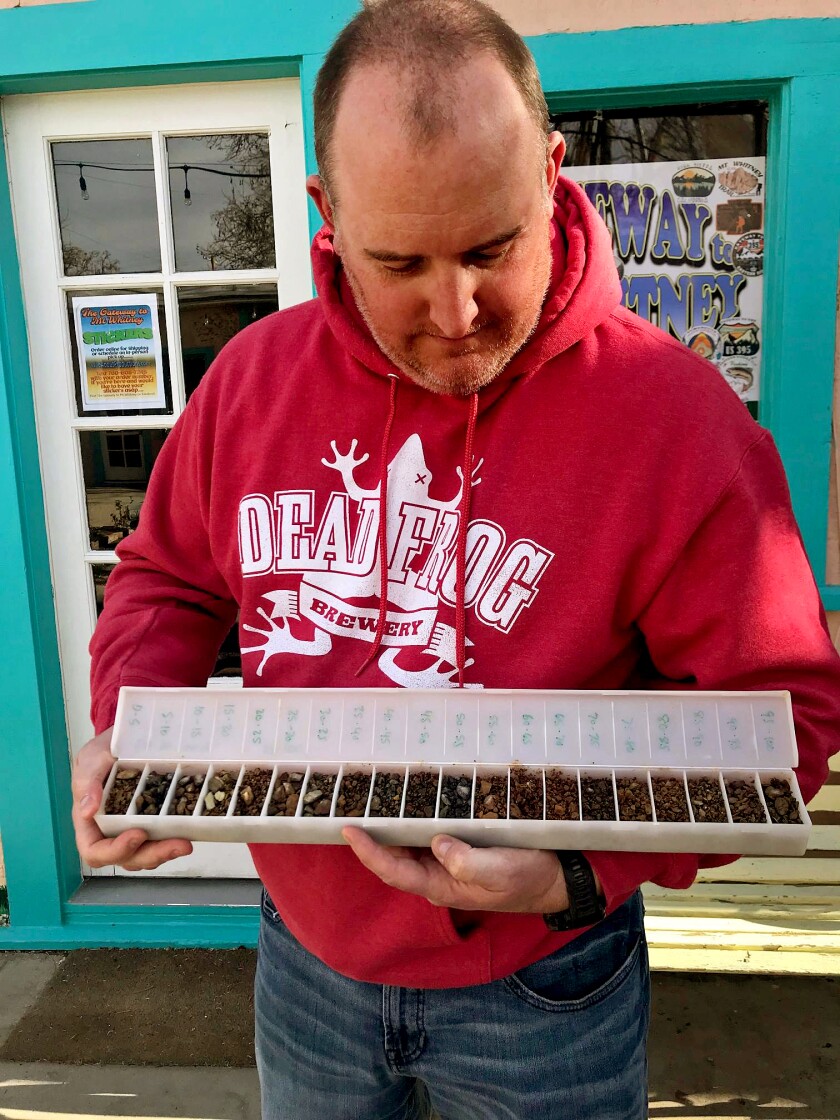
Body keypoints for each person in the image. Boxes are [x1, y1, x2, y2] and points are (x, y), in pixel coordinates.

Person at [72, 2, 840, 1117]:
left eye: (492, 246)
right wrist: (132, 729)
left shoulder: (673, 422)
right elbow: (166, 575)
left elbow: (786, 724)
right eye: (400, 261)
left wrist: (578, 874)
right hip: (304, 960)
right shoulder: (248, 382)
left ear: (550, 174)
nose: (455, 310)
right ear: (327, 215)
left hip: (547, 980)